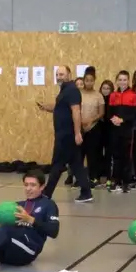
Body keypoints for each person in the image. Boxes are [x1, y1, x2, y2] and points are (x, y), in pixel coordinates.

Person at [37, 66, 93, 203]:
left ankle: (47, 193)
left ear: (69, 75)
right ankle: (86, 192)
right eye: (57, 74)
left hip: (67, 135)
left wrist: (77, 133)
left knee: (57, 164)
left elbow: (76, 111)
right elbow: (61, 108)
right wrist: (46, 107)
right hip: (64, 134)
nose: (59, 77)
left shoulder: (72, 90)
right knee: (76, 164)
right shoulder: (64, 91)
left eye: (62, 74)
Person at [108, 70, 136, 193]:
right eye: (120, 80)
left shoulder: (133, 96)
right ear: (117, 81)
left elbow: (135, 114)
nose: (122, 82)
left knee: (127, 156)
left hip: (127, 130)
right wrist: (113, 119)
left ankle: (126, 182)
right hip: (115, 130)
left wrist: (123, 120)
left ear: (128, 81)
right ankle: (115, 180)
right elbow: (109, 112)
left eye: (125, 80)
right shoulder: (113, 95)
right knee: (116, 155)